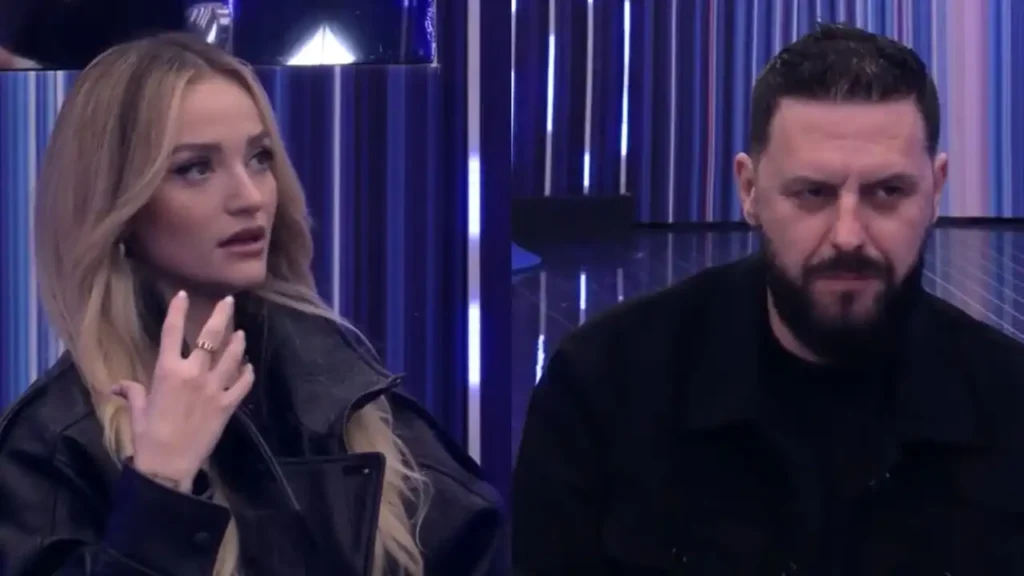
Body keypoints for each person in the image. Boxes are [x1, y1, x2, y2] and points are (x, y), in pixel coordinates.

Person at [512, 24, 1024, 575]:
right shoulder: (602, 389)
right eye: (813, 193)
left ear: (936, 190)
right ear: (750, 190)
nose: (848, 235)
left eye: (888, 192)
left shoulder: (1011, 406)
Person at [0, 32, 505, 576]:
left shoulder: (342, 391)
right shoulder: (53, 446)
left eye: (260, 158)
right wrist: (160, 488)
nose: (250, 197)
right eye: (196, 168)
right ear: (118, 207)